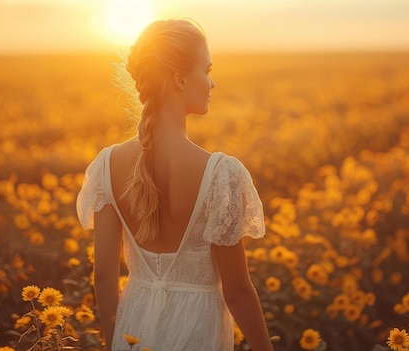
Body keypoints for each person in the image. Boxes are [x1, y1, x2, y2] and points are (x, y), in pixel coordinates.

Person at [76, 19, 274, 351]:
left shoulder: (107, 165)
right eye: (206, 69)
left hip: (132, 330)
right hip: (196, 332)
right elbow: (238, 292)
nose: (212, 83)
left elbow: (104, 277)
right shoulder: (220, 174)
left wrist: (115, 343)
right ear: (179, 78)